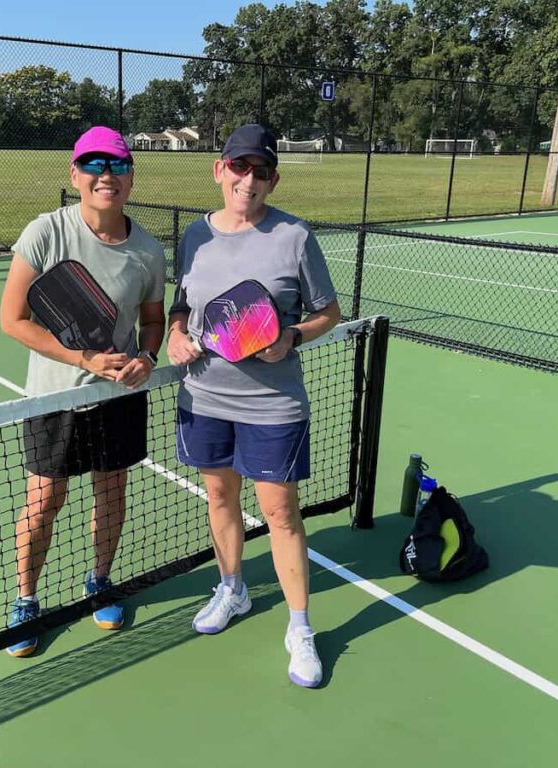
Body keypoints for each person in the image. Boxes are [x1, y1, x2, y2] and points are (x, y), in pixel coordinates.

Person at [166, 124, 341, 687]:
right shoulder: (194, 235)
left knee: (281, 514)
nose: (248, 180)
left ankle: (300, 628)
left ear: (273, 180)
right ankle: (232, 589)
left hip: (272, 406)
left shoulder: (294, 236)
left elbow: (327, 312)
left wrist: (292, 337)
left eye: (260, 171)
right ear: (219, 170)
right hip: (204, 396)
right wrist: (174, 334)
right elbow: (183, 305)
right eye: (239, 167)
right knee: (219, 496)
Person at [0, 126, 166, 657]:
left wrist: (147, 357)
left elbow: (154, 321)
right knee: (44, 501)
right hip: (56, 399)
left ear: (131, 177)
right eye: (93, 165)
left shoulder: (147, 251)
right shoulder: (45, 233)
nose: (105, 175)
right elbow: (13, 319)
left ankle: (100, 581)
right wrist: (81, 359)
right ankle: (26, 600)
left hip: (119, 399)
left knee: (111, 492)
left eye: (116, 165)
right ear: (75, 175)